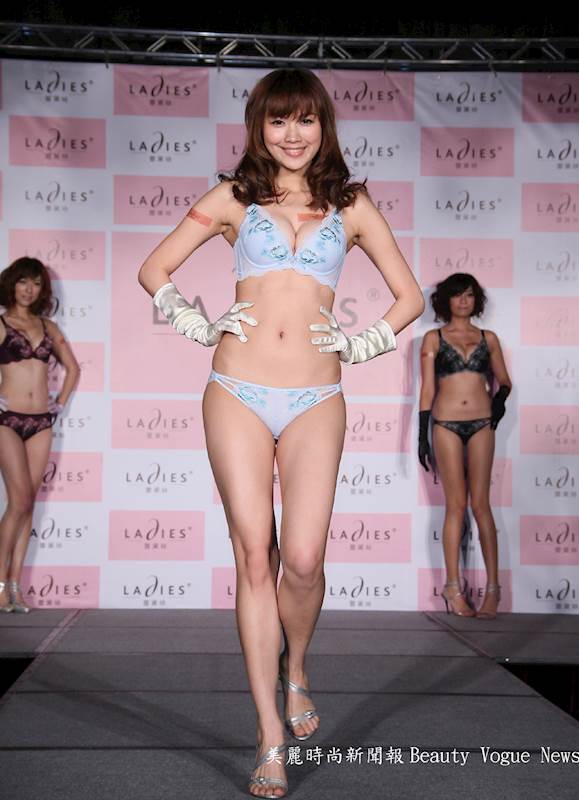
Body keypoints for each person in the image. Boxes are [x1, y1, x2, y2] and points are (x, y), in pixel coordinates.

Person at [138, 68, 424, 799]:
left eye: (305, 120)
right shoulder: (233, 199)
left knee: (302, 559)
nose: (291, 135)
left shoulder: (351, 206)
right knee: (254, 556)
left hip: (316, 396)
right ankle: (268, 733)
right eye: (277, 120)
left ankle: (295, 667)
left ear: (323, 125)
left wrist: (361, 344)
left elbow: (410, 297)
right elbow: (153, 267)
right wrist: (196, 321)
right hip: (235, 390)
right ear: (258, 127)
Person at [418, 272, 512, 621]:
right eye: (457, 295)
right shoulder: (433, 338)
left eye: (469, 295)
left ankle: (493, 589)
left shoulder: (489, 338)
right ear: (446, 300)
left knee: (482, 505)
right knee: (455, 506)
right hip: (445, 425)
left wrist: (499, 403)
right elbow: (427, 390)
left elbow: (504, 380)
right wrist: (422, 434)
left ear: (477, 300)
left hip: (482, 424)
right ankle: (453, 588)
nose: (463, 301)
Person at [0, 257, 80, 613]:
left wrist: (59, 404)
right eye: (23, 282)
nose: (28, 289)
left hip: (41, 423)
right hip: (7, 420)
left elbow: (72, 368)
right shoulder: (2, 323)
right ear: (12, 284)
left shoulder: (47, 326)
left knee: (28, 503)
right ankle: (0, 584)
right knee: (18, 501)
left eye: (35, 283)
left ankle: (16, 586)